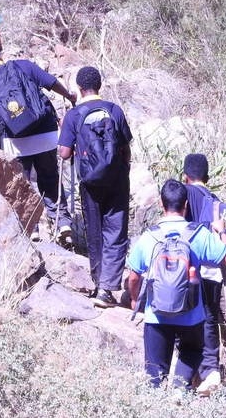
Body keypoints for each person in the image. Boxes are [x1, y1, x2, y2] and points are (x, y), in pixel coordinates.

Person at [126, 179, 226, 390]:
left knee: (154, 374)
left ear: (161, 204)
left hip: (156, 314)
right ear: (186, 205)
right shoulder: (198, 235)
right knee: (193, 351)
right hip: (192, 315)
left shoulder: (149, 237)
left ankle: (155, 399)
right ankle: (179, 390)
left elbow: (133, 276)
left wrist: (134, 299)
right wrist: (221, 231)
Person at [0, 46, 76, 242]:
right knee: (50, 177)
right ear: (1, 57)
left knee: (23, 184)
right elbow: (52, 82)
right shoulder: (23, 66)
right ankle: (62, 222)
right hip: (45, 133)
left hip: (15, 140)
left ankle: (32, 227)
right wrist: (69, 96)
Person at [57, 66, 133, 307]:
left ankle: (99, 283)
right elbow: (126, 147)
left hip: (89, 182)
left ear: (79, 89)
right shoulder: (114, 110)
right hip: (117, 179)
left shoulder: (74, 115)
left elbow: (65, 154)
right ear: (99, 86)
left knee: (95, 231)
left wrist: (64, 133)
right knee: (116, 232)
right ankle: (107, 289)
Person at [183, 153, 226, 393]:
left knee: (185, 318)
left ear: (185, 177)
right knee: (209, 319)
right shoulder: (224, 209)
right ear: (208, 177)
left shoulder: (182, 198)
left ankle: (187, 374)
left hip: (184, 271)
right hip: (213, 274)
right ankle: (210, 371)